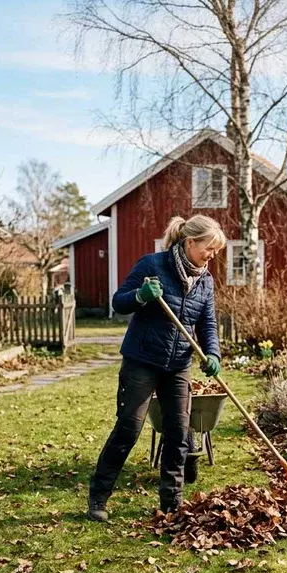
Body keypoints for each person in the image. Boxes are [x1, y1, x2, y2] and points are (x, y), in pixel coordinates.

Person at [87, 215, 226, 522]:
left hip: (178, 364)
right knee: (128, 429)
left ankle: (172, 502)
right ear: (190, 242)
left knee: (178, 433)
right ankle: (98, 496)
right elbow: (118, 303)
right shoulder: (152, 266)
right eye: (209, 248)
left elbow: (207, 323)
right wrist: (140, 296)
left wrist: (212, 353)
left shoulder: (205, 280)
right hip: (142, 360)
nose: (212, 255)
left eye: (216, 250)